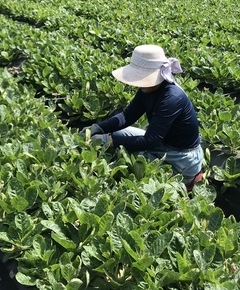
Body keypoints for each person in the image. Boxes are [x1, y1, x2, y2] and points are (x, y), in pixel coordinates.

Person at [82, 44, 204, 191]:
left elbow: (150, 140)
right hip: (162, 143)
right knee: (118, 136)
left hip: (180, 157)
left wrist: (108, 141)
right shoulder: (148, 90)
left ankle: (189, 180)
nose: (140, 84)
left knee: (131, 159)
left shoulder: (172, 98)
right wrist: (98, 128)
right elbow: (127, 116)